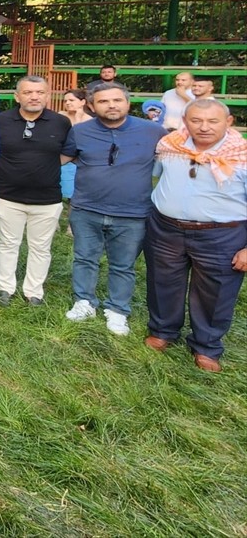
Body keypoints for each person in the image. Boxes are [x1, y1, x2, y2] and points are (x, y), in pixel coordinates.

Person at [143, 99, 247, 373]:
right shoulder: (168, 146)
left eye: (212, 121)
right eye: (196, 120)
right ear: (185, 122)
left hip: (221, 234)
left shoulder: (243, 155)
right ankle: (163, 330)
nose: (203, 127)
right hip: (166, 228)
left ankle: (207, 346)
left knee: (215, 291)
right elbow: (154, 177)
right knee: (162, 282)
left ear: (228, 122)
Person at [62, 82, 166, 335]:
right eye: (104, 101)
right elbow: (62, 158)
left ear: (127, 103)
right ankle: (84, 301)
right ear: (92, 106)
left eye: (117, 100)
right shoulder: (80, 132)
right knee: (85, 258)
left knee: (123, 265)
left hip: (132, 212)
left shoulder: (153, 132)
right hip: (87, 208)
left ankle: (118, 310)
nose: (111, 105)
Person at [0, 76, 72, 306]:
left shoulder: (61, 123)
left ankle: (34, 291)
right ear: (17, 96)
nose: (34, 97)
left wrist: (44, 166)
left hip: (47, 199)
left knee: (40, 247)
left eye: (39, 92)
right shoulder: (0, 121)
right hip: (8, 195)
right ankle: (5, 288)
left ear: (47, 96)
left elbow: (68, 152)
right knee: (8, 244)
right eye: (28, 92)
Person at [59, 88, 92, 201]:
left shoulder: (90, 121)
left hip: (80, 161)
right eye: (65, 101)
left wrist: (78, 119)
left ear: (82, 102)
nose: (67, 103)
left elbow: (80, 141)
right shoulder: (60, 116)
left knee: (75, 198)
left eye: (71, 100)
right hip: (59, 158)